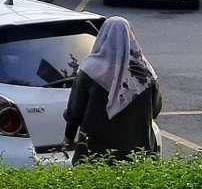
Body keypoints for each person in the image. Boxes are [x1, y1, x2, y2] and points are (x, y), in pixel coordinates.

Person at [64, 17, 162, 164]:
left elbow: (75, 112)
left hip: (95, 154)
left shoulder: (90, 70)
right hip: (138, 154)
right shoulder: (145, 73)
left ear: (103, 36)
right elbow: (155, 109)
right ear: (130, 36)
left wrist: (69, 138)